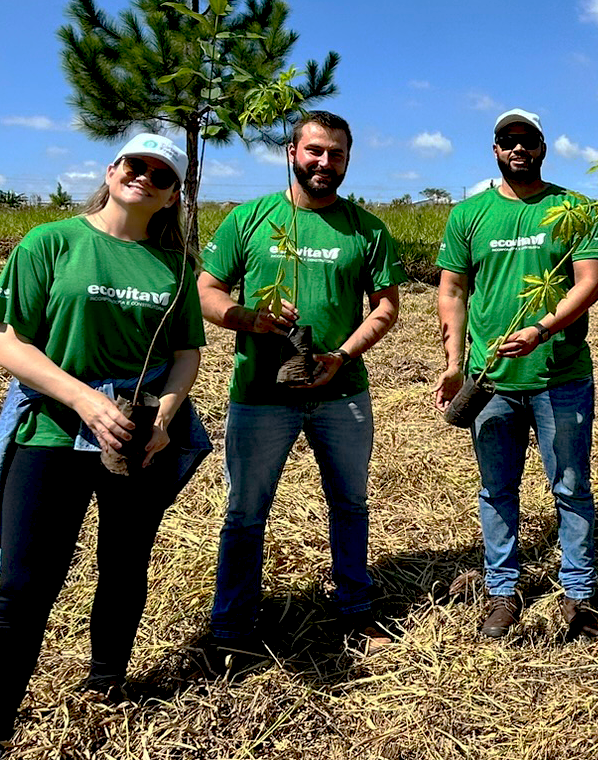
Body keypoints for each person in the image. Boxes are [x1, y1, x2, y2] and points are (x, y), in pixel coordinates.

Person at [0, 134, 208, 759]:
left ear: (174, 194)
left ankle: (107, 685)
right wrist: (83, 399)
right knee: (26, 585)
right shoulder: (51, 242)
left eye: (162, 174)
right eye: (136, 166)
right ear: (112, 170)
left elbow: (186, 357)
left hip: (138, 438)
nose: (146, 178)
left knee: (124, 567)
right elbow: (8, 344)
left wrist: (165, 421)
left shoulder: (176, 268)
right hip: (52, 431)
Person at [194, 111, 405, 668]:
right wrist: (247, 317)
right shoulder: (251, 218)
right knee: (245, 511)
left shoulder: (367, 229)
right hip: (261, 394)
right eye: (315, 151)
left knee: (351, 503)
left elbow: (386, 308)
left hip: (342, 392)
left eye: (336, 154)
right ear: (292, 151)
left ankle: (356, 608)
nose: (324, 162)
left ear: (347, 160)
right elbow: (207, 290)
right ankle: (232, 623)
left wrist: (343, 355)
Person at [434, 108, 598, 641]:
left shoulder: (573, 209)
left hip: (560, 375)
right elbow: (454, 291)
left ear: (542, 148)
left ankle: (579, 593)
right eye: (507, 140)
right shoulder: (468, 215)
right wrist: (453, 365)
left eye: (527, 140)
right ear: (494, 150)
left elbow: (590, 283)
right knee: (496, 488)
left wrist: (542, 327)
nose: (517, 148)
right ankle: (502, 591)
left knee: (572, 483)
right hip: (492, 381)